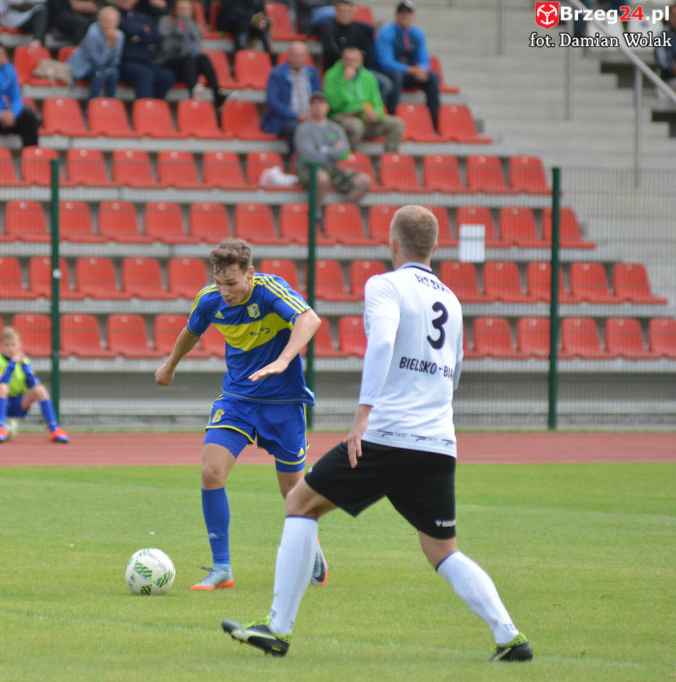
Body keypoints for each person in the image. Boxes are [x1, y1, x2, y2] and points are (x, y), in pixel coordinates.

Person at [221, 205, 533, 664]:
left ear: (391, 242)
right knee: (443, 549)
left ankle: (276, 629)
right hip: (437, 440)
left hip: (388, 434)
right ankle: (510, 637)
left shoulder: (384, 285)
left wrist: (363, 414)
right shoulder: (451, 297)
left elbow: (383, 342)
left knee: (300, 503)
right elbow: (456, 369)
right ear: (436, 247)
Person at [154, 238, 327, 591]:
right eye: (220, 283)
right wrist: (170, 365)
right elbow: (191, 331)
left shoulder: (269, 290)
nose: (226, 292)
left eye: (232, 284)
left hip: (283, 402)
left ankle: (313, 546)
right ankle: (222, 568)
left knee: (293, 492)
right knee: (211, 471)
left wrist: (282, 360)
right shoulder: (209, 300)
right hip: (237, 400)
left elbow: (309, 319)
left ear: (250, 274)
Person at [0, 326, 70, 444]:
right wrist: (12, 364)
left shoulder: (25, 361)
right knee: (3, 388)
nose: (10, 348)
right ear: (0, 346)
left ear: (19, 346)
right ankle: (0, 428)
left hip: (17, 404)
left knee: (40, 389)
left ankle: (54, 429)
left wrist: (26, 368)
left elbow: (33, 384)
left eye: (13, 345)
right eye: (6, 345)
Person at [374, 0, 439, 131]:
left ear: (413, 16)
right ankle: (392, 116)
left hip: (410, 73)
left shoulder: (417, 34)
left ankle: (434, 123)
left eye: (408, 13)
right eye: (402, 13)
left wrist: (421, 69)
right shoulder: (386, 32)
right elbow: (385, 61)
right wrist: (409, 70)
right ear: (396, 15)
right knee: (396, 75)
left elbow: (424, 57)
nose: (405, 16)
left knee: (432, 77)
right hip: (390, 72)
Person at [323, 46, 403, 152]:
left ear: (361, 61)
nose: (351, 63)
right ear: (342, 60)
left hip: (365, 116)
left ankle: (389, 161)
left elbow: (377, 102)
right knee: (356, 126)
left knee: (397, 123)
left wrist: (376, 114)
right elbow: (333, 104)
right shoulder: (331, 75)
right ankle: (349, 160)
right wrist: (344, 81)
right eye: (348, 60)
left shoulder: (368, 77)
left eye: (355, 60)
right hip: (342, 117)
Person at [294, 91, 369, 202]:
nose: (318, 106)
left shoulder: (335, 128)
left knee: (364, 180)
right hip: (309, 170)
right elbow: (309, 156)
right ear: (309, 107)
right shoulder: (303, 129)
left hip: (332, 169)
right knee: (322, 178)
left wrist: (322, 149)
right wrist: (333, 151)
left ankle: (341, 213)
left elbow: (345, 153)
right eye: (314, 103)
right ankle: (317, 216)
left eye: (321, 103)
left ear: (327, 107)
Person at [312, 0, 390, 103]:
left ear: (353, 13)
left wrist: (356, 67)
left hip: (361, 71)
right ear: (336, 12)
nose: (344, 15)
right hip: (337, 71)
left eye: (347, 11)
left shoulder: (363, 30)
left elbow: (369, 57)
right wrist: (348, 65)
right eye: (341, 11)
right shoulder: (328, 28)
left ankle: (375, 111)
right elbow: (332, 52)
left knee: (386, 84)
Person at [157, 0, 229, 106]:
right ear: (174, 10)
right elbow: (166, 47)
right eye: (180, 8)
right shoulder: (166, 21)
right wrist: (179, 29)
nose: (183, 12)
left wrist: (187, 27)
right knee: (188, 57)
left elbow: (196, 48)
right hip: (170, 62)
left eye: (187, 8)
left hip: (188, 66)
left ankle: (217, 92)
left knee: (203, 58)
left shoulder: (194, 25)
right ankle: (193, 92)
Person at [260, 41, 321, 157]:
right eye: (294, 55)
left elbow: (319, 97)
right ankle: (296, 163)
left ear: (306, 57)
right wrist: (297, 116)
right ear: (288, 55)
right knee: (297, 129)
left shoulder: (313, 74)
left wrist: (314, 114)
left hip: (310, 117)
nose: (297, 58)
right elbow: (272, 102)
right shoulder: (277, 74)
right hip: (286, 119)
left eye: (301, 55)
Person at [115, 0, 175, 100]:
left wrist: (137, 37)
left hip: (146, 62)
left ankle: (154, 107)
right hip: (125, 62)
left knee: (167, 76)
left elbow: (156, 37)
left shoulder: (143, 16)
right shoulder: (115, 15)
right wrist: (143, 29)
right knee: (145, 76)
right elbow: (127, 28)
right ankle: (143, 111)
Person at [66, 6, 124, 99]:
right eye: (106, 21)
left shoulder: (119, 36)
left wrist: (114, 46)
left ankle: (109, 104)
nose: (109, 25)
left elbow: (116, 61)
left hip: (104, 67)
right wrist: (109, 46)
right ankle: (92, 106)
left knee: (114, 72)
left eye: (112, 22)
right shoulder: (93, 33)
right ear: (100, 21)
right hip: (84, 67)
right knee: (100, 72)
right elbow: (98, 61)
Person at [656, 5, 676, 84]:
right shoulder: (662, 36)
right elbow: (663, 61)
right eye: (674, 16)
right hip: (670, 79)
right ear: (669, 17)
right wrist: (673, 66)